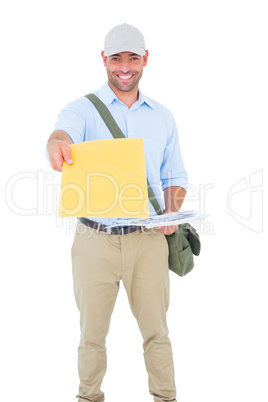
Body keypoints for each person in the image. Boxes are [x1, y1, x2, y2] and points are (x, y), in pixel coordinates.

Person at [47, 23, 188, 402]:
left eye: (132, 58)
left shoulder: (163, 116)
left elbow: (174, 175)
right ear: (104, 61)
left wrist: (171, 212)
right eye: (115, 58)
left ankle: (165, 397)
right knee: (91, 335)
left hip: (148, 240)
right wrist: (56, 143)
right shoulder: (82, 110)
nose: (124, 67)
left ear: (145, 59)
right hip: (95, 240)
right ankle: (88, 397)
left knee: (157, 333)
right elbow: (64, 133)